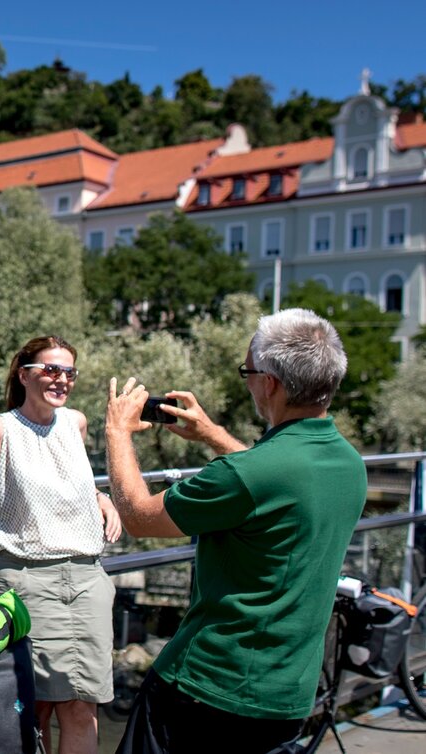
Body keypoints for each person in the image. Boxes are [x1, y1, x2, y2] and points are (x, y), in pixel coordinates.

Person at [104, 308, 368, 754]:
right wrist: (214, 435)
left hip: (206, 690)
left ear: (271, 383)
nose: (247, 382)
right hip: (286, 697)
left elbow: (138, 515)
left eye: (248, 371)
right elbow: (274, 484)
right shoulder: (349, 465)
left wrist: (116, 431)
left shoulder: (246, 474)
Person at [0, 335, 122, 754]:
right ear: (24, 375)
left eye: (68, 372)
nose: (60, 379)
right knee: (33, 709)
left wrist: (97, 496)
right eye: (50, 369)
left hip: (87, 580)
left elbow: (67, 479)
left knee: (83, 708)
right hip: (27, 582)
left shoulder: (75, 423)